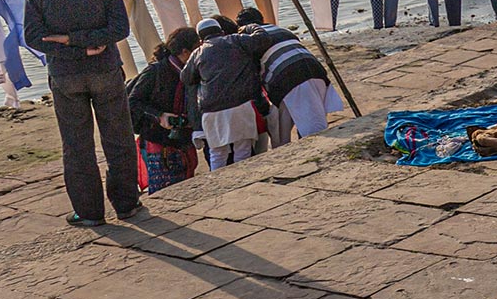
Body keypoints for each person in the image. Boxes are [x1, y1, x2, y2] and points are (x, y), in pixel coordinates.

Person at [22, 0, 142, 226]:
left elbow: (34, 38)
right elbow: (119, 30)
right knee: (119, 139)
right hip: (105, 70)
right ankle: (126, 205)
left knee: (77, 146)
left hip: (65, 76)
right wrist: (89, 44)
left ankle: (89, 213)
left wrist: (69, 42)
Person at [126, 26, 202, 194]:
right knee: (164, 189)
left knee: (188, 185)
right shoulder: (155, 71)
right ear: (184, 52)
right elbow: (133, 101)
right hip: (157, 138)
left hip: (183, 136)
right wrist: (159, 116)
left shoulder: (191, 71)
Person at [238, 21, 342, 144]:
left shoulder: (250, 40)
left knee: (310, 130)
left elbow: (254, 77)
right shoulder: (281, 30)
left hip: (288, 78)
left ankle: (309, 148)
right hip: (315, 70)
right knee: (311, 116)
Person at [181, 18, 263, 169]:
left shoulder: (198, 53)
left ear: (200, 39)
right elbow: (262, 39)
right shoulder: (235, 40)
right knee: (243, 148)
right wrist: (251, 26)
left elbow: (185, 77)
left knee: (217, 152)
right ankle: (244, 179)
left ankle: (218, 182)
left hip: (212, 111)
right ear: (221, 31)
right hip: (240, 104)